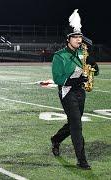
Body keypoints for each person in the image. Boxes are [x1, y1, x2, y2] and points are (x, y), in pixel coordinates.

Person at [51, 9, 99, 170]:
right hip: (67, 91)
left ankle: (56, 139)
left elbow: (94, 72)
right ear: (68, 39)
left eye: (80, 37)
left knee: (73, 122)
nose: (79, 40)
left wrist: (94, 65)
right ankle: (81, 159)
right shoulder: (59, 56)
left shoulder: (83, 53)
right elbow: (58, 79)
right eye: (76, 37)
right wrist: (75, 78)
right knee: (77, 125)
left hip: (80, 92)